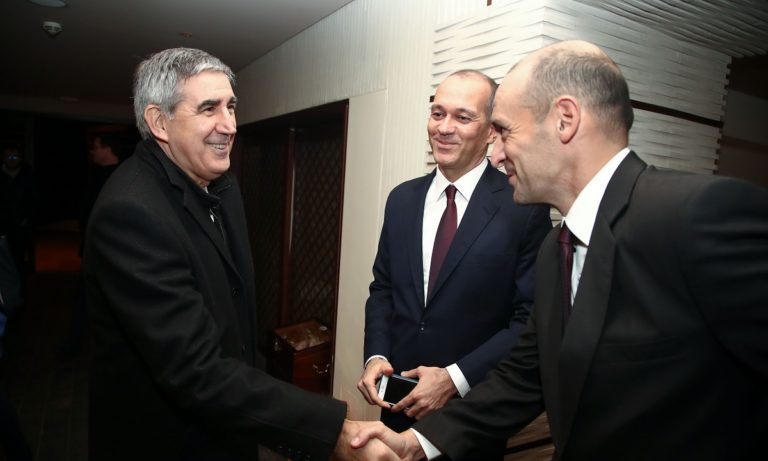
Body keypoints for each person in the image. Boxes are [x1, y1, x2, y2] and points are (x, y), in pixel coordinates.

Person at [352, 40, 768, 460]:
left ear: (564, 121)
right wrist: (417, 444)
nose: (496, 155)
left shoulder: (699, 213)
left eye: (505, 132)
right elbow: (524, 377)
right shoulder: (557, 248)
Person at [84, 47, 395, 461]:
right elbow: (196, 371)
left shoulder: (223, 186)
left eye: (231, 107)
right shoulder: (131, 213)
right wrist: (333, 431)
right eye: (208, 108)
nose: (229, 125)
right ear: (159, 122)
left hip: (229, 429)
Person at [357, 69, 551, 459]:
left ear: (491, 131)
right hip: (398, 404)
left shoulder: (524, 208)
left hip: (471, 415)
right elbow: (383, 289)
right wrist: (376, 355)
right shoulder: (401, 200)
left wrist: (454, 378)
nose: (444, 128)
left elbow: (529, 319)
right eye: (438, 113)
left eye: (463, 117)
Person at [0, 145, 36, 294]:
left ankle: (19, 292)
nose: (12, 159)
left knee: (18, 260)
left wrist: (27, 218)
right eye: (9, 156)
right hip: (2, 227)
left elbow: (35, 200)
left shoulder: (28, 176)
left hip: (20, 228)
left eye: (15, 156)